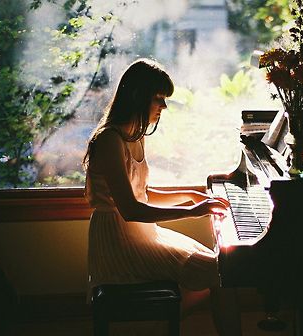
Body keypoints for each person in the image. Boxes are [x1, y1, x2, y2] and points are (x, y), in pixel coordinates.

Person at [82, 58, 242, 335]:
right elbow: (132, 209)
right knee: (219, 272)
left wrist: (191, 195)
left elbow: (143, 192)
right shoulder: (110, 140)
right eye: (158, 99)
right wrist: (193, 211)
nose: (164, 107)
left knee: (218, 267)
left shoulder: (134, 135)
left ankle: (160, 325)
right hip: (118, 240)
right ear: (137, 97)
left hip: (140, 233)